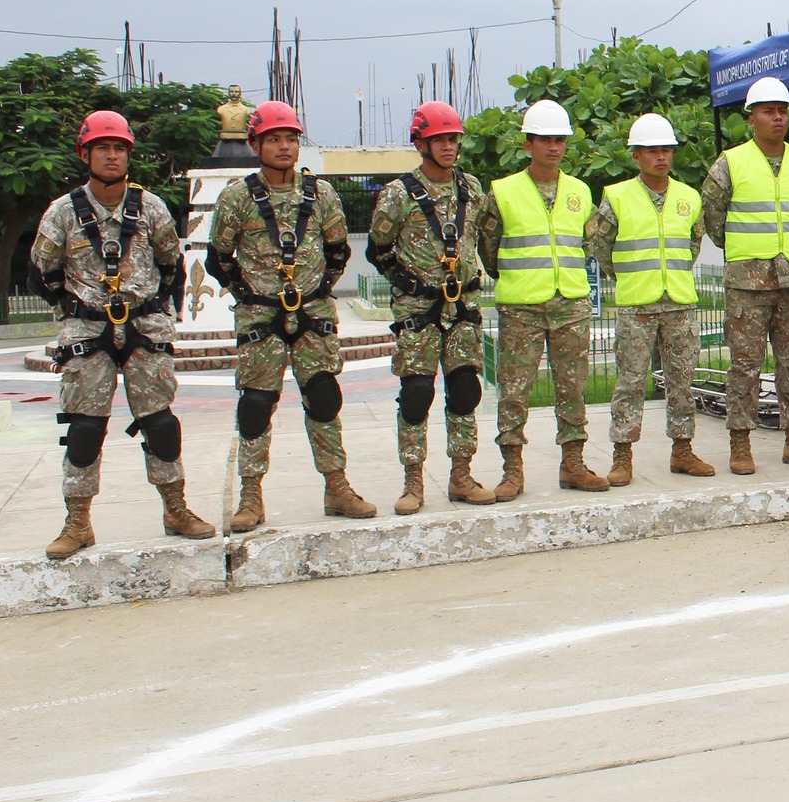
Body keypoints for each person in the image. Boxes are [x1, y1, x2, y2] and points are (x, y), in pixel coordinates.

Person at [31, 109, 209, 558]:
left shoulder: (150, 207)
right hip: (86, 328)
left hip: (144, 327)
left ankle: (176, 509)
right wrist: (73, 308)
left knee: (161, 424)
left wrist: (149, 309)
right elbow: (41, 272)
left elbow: (171, 266)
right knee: (85, 429)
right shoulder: (62, 213)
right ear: (85, 153)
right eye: (103, 148)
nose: (112, 156)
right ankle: (77, 523)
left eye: (119, 148)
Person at [208, 99, 376, 522]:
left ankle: (336, 486)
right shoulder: (236, 198)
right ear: (255, 143)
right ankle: (250, 497)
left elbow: (337, 252)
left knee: (324, 398)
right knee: (256, 405)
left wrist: (315, 289)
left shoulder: (320, 194)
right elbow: (219, 259)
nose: (284, 147)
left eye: (290, 139)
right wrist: (251, 294)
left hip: (312, 314)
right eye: (274, 139)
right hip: (260, 317)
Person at [367, 100, 496, 514]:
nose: (448, 147)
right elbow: (378, 250)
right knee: (417, 393)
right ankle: (413, 481)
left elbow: (483, 239)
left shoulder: (472, 190)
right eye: (439, 139)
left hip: (463, 310)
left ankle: (461, 476)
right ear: (421, 142)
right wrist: (407, 284)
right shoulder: (398, 194)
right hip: (419, 311)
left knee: (465, 391)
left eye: (453, 139)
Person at [476, 98, 608, 499]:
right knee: (514, 391)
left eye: (559, 140)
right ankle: (512, 470)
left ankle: (573, 465)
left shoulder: (580, 191)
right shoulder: (503, 192)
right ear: (528, 144)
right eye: (545, 140)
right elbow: (489, 247)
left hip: (570, 303)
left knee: (573, 388)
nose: (554, 147)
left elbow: (586, 243)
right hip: (522, 306)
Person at [700, 76, 789, 474]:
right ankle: (741, 443)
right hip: (748, 282)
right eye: (768, 111)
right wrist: (747, 253)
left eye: (782, 110)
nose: (778, 118)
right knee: (746, 364)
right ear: (751, 118)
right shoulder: (729, 163)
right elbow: (713, 218)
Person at [587, 112, 715, 486]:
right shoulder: (617, 197)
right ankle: (622, 455)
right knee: (630, 382)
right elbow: (601, 248)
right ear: (636, 156)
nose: (661, 157)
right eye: (652, 151)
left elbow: (693, 244)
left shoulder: (689, 198)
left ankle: (683, 451)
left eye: (667, 150)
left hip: (679, 302)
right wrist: (626, 277)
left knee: (682, 381)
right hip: (636, 305)